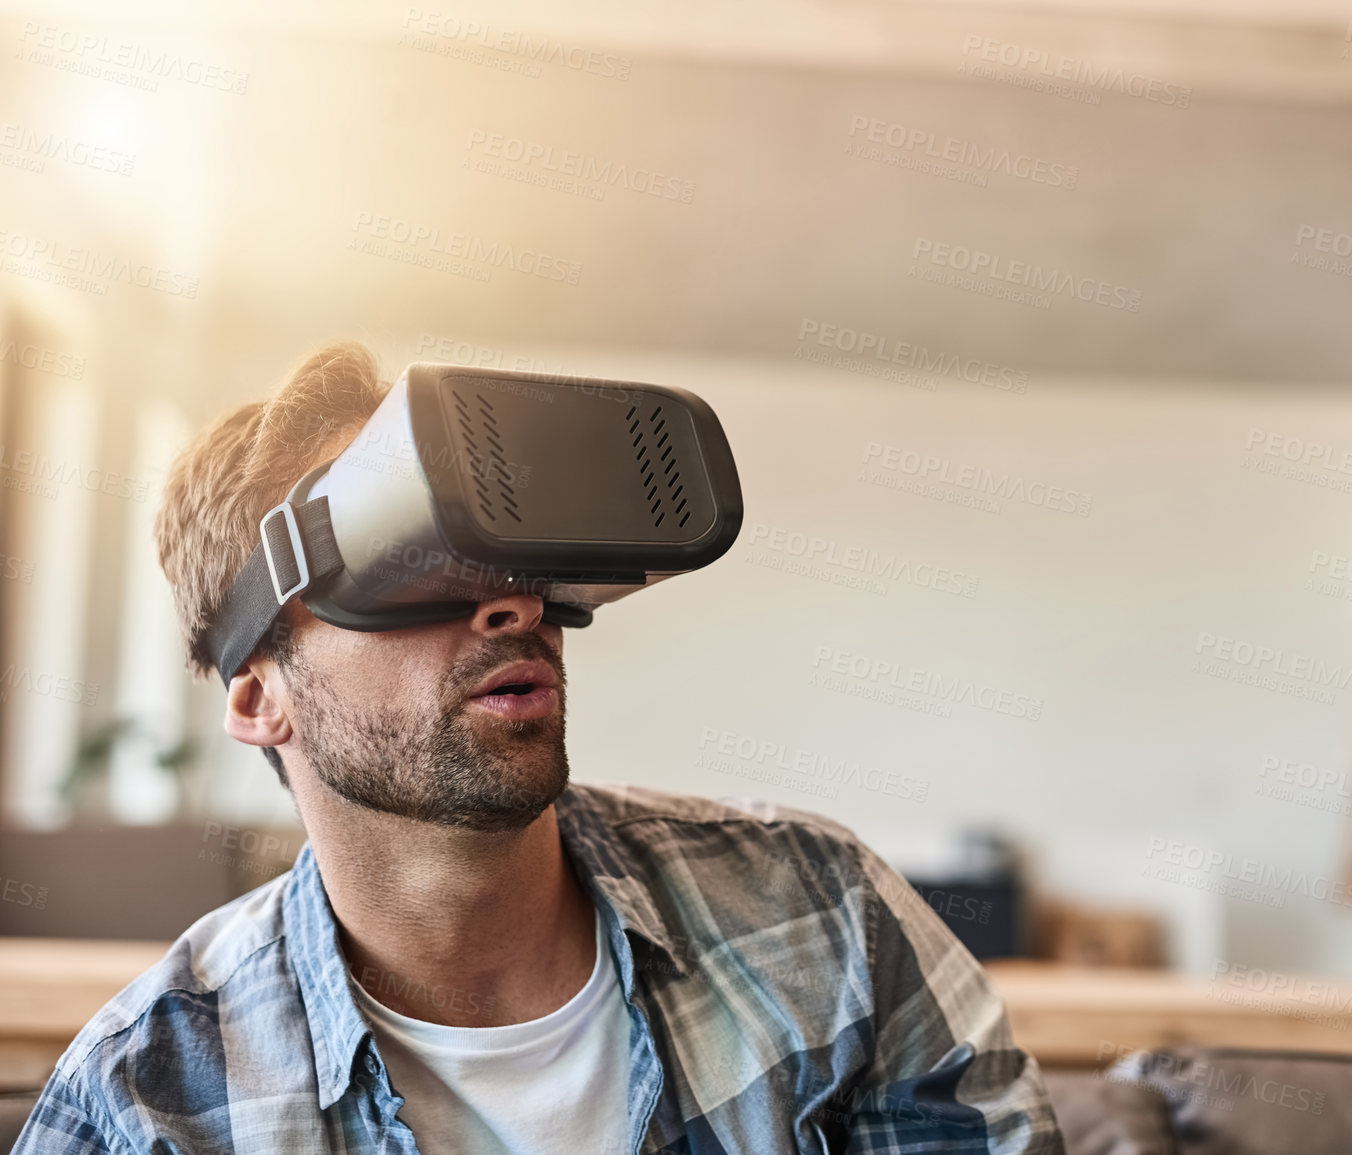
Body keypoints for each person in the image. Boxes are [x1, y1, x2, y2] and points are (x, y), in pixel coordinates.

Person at [13, 343, 1064, 1154]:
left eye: (510, 552)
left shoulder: (824, 917)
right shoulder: (146, 1096)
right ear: (258, 697)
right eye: (407, 556)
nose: (513, 607)